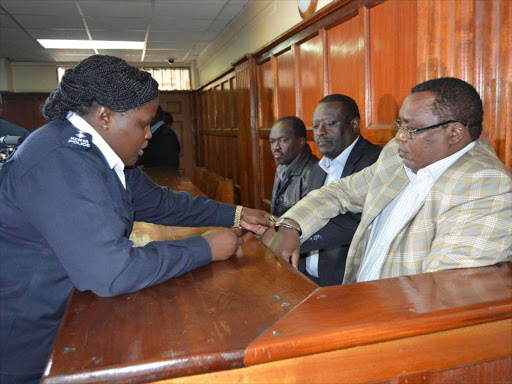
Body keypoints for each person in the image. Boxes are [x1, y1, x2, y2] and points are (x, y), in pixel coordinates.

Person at [0, 55, 275, 384]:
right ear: (106, 116)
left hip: (68, 317)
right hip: (28, 342)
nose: (149, 134)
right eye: (143, 124)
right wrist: (204, 247)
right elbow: (112, 270)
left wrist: (235, 213)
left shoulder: (95, 150)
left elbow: (156, 201)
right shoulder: (62, 159)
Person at [266, 77, 512, 284]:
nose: (399, 137)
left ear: (455, 132)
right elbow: (339, 192)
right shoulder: (396, 156)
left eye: (411, 129)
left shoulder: (485, 186)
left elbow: (443, 291)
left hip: (397, 324)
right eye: (400, 125)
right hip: (359, 297)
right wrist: (291, 224)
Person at [299, 94, 381, 286]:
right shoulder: (318, 168)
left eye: (329, 124)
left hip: (347, 284)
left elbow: (356, 223)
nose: (320, 132)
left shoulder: (374, 163)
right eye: (315, 126)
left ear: (354, 125)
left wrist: (295, 235)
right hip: (307, 279)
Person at [269, 116, 318, 217]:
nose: (275, 147)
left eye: (282, 140)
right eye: (272, 141)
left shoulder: (314, 172)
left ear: (300, 142)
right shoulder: (281, 168)